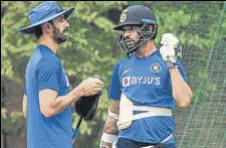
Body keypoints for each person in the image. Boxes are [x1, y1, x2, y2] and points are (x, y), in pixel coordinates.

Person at [100, 5, 193, 148]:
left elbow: (184, 101)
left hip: (160, 142)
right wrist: (105, 143)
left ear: (149, 29)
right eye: (125, 31)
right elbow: (114, 110)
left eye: (131, 29)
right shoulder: (121, 66)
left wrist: (171, 63)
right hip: (126, 142)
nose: (126, 35)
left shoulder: (168, 61)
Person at [19, 1, 104, 148]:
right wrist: (81, 90)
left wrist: (61, 134)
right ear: (47, 26)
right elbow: (48, 108)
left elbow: (27, 110)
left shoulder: (34, 60)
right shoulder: (49, 62)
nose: (67, 24)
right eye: (61, 20)